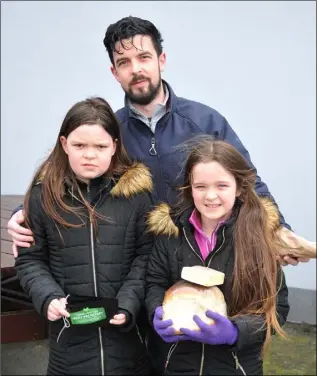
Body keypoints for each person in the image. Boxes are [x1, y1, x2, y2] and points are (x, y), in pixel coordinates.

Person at [8, 18, 306, 279]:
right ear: (114, 72)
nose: (135, 69)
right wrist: (23, 213)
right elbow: (63, 171)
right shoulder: (109, 131)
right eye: (124, 63)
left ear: (161, 60)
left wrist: (278, 228)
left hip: (205, 256)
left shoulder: (205, 121)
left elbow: (249, 180)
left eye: (144, 57)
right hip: (138, 266)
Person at [14, 97, 154, 375]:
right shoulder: (43, 197)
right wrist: (48, 297)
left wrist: (127, 304)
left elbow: (147, 257)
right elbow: (30, 260)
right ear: (64, 144)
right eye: (79, 145)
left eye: (100, 146)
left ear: (114, 147)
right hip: (68, 351)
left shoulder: (137, 198)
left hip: (128, 350)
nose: (90, 154)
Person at [145, 136, 290, 375]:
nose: (210, 196)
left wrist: (235, 332)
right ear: (190, 189)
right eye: (201, 187)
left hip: (235, 366)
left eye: (222, 186)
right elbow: (155, 283)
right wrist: (155, 313)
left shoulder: (258, 237)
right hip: (176, 365)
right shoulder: (171, 233)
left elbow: (278, 308)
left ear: (240, 187)